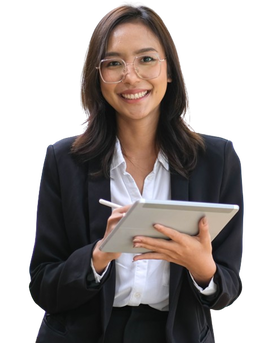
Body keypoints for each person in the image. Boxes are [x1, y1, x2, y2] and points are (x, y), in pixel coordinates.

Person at [30, 1, 244, 342]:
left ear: (170, 71)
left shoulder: (217, 159)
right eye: (114, 63)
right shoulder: (63, 159)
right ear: (98, 78)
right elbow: (43, 284)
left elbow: (228, 286)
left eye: (146, 59)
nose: (131, 76)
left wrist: (202, 269)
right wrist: (100, 256)